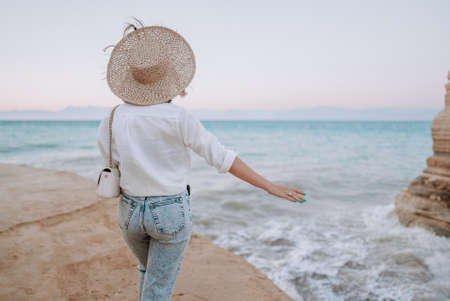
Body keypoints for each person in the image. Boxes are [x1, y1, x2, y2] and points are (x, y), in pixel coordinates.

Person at [97, 20, 306, 301]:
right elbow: (222, 158)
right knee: (158, 288)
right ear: (169, 78)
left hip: (130, 213)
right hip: (169, 212)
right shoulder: (178, 118)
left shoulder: (111, 119)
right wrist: (269, 186)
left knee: (149, 271)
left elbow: (113, 161)